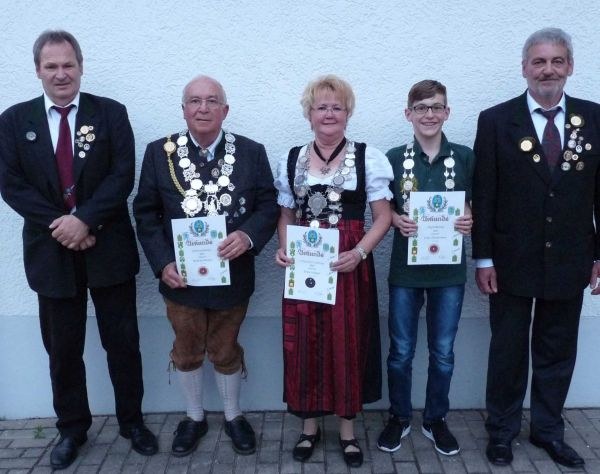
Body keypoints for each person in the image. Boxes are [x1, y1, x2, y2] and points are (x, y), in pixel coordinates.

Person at [0, 30, 157, 470]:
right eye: (51, 66)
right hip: (51, 253)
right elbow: (12, 185)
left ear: (81, 66)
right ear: (37, 70)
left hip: (108, 247)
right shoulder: (13, 121)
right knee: (63, 349)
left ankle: (132, 422)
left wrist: (85, 220)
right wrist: (64, 226)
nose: (61, 73)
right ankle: (72, 429)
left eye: (68, 64)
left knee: (122, 344)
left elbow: (122, 175)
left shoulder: (110, 113)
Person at [472, 27, 600, 468]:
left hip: (570, 258)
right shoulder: (495, 120)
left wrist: (599, 255)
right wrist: (483, 257)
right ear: (524, 68)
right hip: (510, 260)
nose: (548, 70)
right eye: (539, 61)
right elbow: (485, 193)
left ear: (570, 67)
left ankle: (548, 431)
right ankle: (502, 431)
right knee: (508, 350)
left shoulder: (595, 118)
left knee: (557, 350)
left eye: (557, 61)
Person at [133, 75, 278, 457]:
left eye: (212, 101)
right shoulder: (158, 153)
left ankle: (233, 415)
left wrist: (247, 236)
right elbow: (145, 213)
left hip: (233, 275)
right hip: (179, 279)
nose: (203, 108)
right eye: (194, 101)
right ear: (183, 110)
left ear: (225, 110)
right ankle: (194, 417)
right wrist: (162, 262)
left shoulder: (251, 152)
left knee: (226, 348)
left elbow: (268, 206)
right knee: (186, 349)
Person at [274, 74, 392, 468]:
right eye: (321, 107)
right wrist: (285, 248)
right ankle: (308, 428)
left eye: (336, 107)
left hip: (348, 266)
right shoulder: (292, 158)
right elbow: (286, 214)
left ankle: (347, 431)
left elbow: (383, 217)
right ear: (309, 113)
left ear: (347, 113)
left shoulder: (368, 157)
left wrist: (359, 252)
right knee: (305, 343)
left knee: (347, 342)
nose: (329, 114)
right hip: (305, 265)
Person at [377, 80, 474, 456]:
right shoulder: (392, 158)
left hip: (449, 272)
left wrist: (469, 217)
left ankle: (436, 419)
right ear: (408, 114)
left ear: (447, 112)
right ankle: (399, 416)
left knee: (443, 351)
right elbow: (383, 209)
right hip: (406, 271)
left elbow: (474, 204)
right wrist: (397, 219)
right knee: (401, 351)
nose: (429, 114)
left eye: (436, 107)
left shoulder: (464, 157)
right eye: (421, 108)